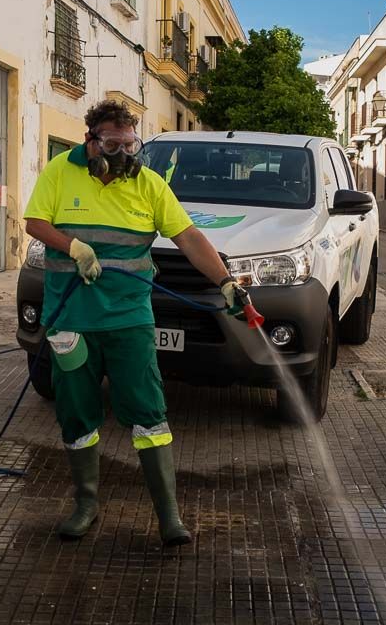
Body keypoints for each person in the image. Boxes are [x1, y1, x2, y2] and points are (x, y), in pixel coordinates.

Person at [24, 100, 244, 546]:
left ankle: (168, 516)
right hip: (71, 321)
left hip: (129, 319)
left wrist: (224, 281)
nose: (124, 154)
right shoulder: (59, 172)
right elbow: (35, 222)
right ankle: (86, 504)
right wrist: (74, 248)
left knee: (148, 413)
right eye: (112, 144)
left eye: (131, 144)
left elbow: (188, 237)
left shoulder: (149, 184)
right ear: (91, 141)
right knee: (77, 414)